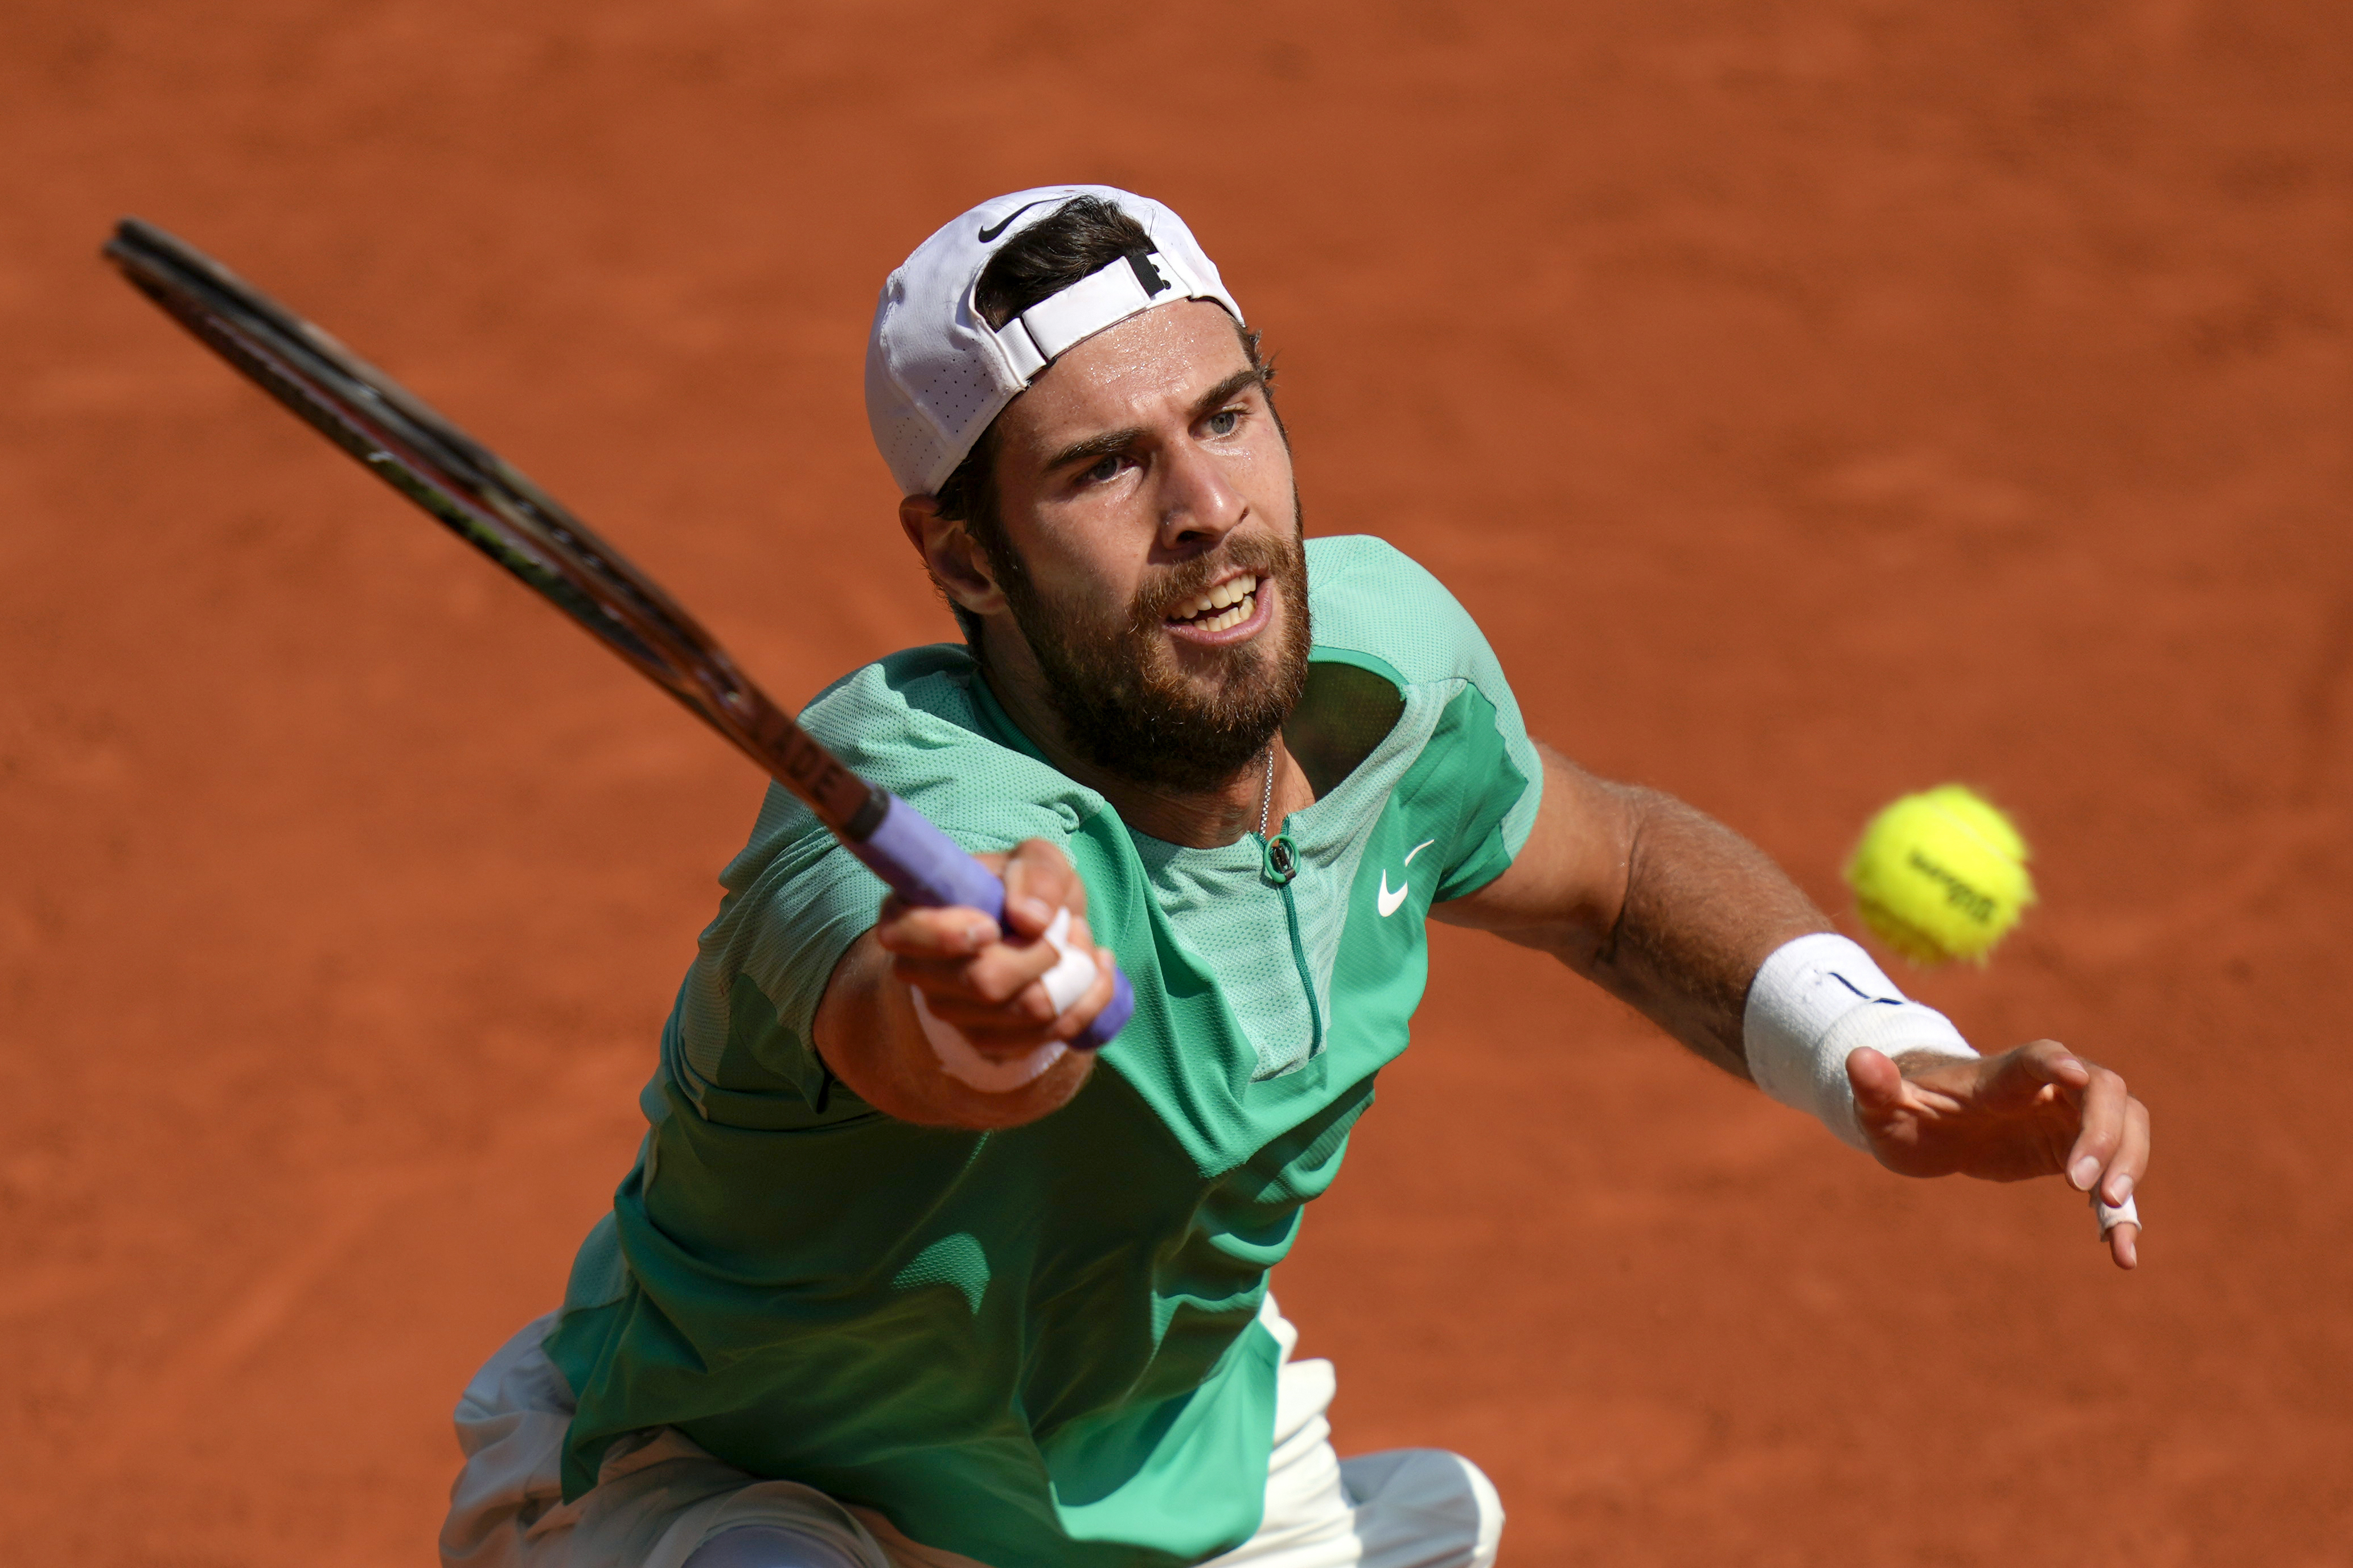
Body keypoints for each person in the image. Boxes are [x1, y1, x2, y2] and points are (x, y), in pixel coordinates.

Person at [440, 187, 2150, 1568]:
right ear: (964, 553)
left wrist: (1878, 1051)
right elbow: (904, 1021)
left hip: (1170, 1470)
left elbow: (1613, 863)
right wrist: (984, 1009)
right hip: (736, 1483)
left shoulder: (1394, 668)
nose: (1208, 508)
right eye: (1106, 467)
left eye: (1228, 417)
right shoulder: (894, 784)